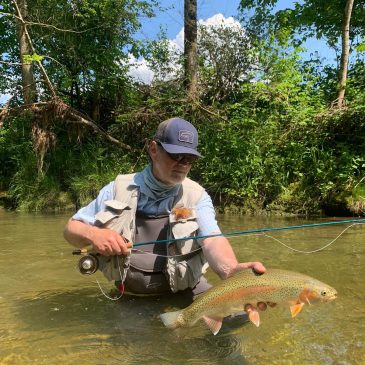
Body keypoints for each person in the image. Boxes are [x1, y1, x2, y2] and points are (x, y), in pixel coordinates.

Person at [64, 117, 266, 300]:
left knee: (235, 321)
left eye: (190, 158)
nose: (183, 164)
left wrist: (230, 271)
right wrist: (94, 235)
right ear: (153, 149)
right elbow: (71, 229)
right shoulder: (118, 188)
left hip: (187, 290)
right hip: (130, 295)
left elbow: (212, 239)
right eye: (176, 155)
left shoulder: (197, 195)